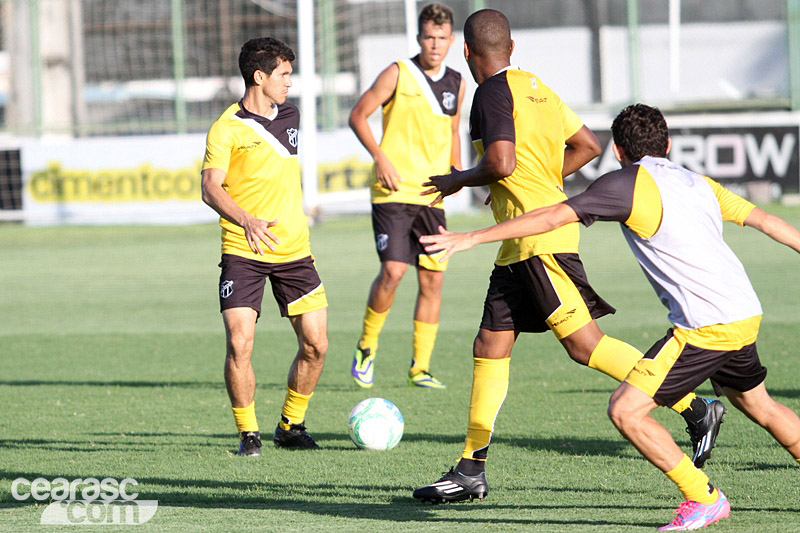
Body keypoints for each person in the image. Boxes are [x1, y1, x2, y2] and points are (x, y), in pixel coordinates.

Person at [419, 103, 800, 530]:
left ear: (617, 151)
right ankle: (703, 437)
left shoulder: (624, 185)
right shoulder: (697, 182)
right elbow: (765, 220)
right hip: (745, 310)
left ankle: (704, 498)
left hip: (707, 326)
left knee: (626, 411)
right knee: (759, 405)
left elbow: (549, 216)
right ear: (668, 144)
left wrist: (472, 237)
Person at [411, 10, 723, 504]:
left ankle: (692, 405)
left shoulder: (490, 92)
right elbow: (588, 145)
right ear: (511, 47)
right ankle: (471, 467)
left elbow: (501, 162)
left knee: (586, 346)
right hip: (521, 245)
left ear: (466, 53)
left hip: (539, 244)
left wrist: (458, 180)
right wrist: (541, 184)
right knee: (489, 346)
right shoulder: (538, 87)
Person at [201, 37, 328, 456]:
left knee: (316, 344)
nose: (290, 82)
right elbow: (209, 187)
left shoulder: (290, 115)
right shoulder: (226, 128)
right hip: (243, 249)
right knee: (239, 342)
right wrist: (247, 220)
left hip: (294, 250)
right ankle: (248, 434)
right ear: (260, 77)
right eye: (284, 74)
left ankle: (290, 426)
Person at [348, 3, 466, 390]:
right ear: (419, 38)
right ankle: (366, 348)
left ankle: (420, 367)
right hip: (393, 192)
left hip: (432, 197)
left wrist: (459, 175)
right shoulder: (399, 72)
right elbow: (359, 115)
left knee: (433, 281)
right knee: (394, 271)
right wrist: (380, 157)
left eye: (442, 38)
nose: (435, 45)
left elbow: (452, 134)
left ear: (451, 41)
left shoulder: (457, 82)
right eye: (429, 37)